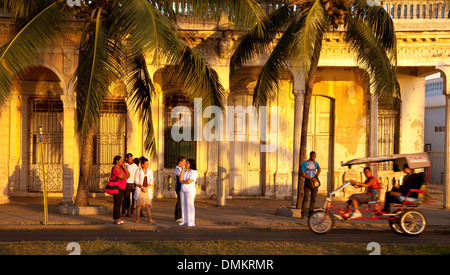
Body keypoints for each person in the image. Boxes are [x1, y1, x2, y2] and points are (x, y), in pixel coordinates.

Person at [134, 156, 156, 224]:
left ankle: (150, 218)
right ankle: (138, 218)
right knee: (139, 204)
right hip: (140, 189)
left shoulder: (149, 171)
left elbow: (151, 180)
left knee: (148, 205)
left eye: (148, 164)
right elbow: (136, 180)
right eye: (146, 164)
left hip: (147, 190)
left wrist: (146, 187)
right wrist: (142, 187)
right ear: (142, 164)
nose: (147, 165)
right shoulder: (138, 170)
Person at [299, 151, 321, 218]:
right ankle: (303, 213)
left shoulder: (315, 163)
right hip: (307, 183)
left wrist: (316, 176)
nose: (314, 157)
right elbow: (302, 174)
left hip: (314, 183)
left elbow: (319, 169)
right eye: (313, 156)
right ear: (310, 156)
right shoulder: (305, 163)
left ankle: (310, 213)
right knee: (306, 198)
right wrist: (310, 178)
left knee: (313, 199)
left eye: (315, 156)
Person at [179, 158, 198, 227]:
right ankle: (184, 220)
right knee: (183, 205)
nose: (186, 164)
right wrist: (182, 170)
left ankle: (191, 222)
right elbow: (180, 179)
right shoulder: (186, 171)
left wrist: (183, 181)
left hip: (190, 190)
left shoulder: (194, 172)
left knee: (190, 205)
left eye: (187, 163)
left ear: (191, 164)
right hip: (183, 189)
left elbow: (189, 181)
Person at [111, 155, 129, 225]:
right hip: (117, 187)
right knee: (117, 203)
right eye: (121, 160)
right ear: (117, 161)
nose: (122, 161)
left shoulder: (122, 168)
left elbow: (128, 175)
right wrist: (125, 177)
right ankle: (115, 219)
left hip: (122, 187)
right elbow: (121, 177)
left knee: (119, 203)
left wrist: (125, 168)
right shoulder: (114, 168)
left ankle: (118, 218)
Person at [122, 153, 138, 217]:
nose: (131, 160)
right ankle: (125, 212)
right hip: (127, 183)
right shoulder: (126, 165)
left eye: (132, 158)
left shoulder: (132, 166)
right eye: (130, 158)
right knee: (126, 198)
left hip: (133, 183)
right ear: (127, 159)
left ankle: (131, 212)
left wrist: (135, 184)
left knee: (133, 199)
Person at [174, 156, 186, 223]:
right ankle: (178, 216)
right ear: (180, 162)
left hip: (183, 186)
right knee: (179, 201)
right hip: (179, 187)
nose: (185, 163)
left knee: (182, 202)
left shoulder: (182, 168)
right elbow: (180, 178)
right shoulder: (178, 169)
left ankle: (181, 215)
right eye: (184, 161)